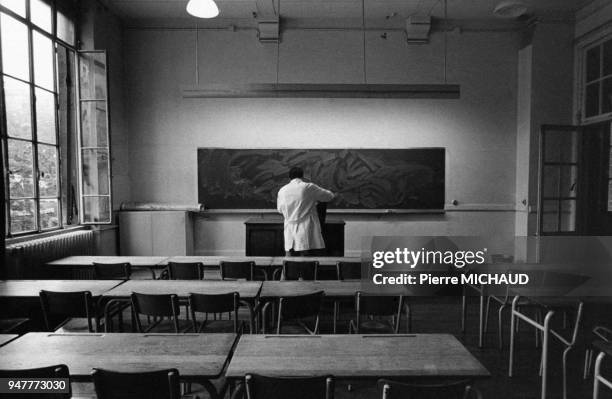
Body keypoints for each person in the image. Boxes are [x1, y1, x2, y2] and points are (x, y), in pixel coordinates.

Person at [277, 167, 335, 256]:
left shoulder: (282, 190)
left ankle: (288, 269)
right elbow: (329, 196)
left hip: (289, 226)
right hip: (306, 225)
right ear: (302, 176)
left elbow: (280, 210)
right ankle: (305, 269)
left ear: (289, 177)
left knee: (289, 253)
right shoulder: (308, 187)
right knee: (304, 253)